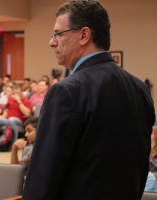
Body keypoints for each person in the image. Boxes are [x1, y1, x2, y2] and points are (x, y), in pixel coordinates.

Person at [23, 1, 155, 200]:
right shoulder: (139, 89)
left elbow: (43, 176)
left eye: (58, 34)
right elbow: (140, 165)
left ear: (84, 35)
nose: (52, 42)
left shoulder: (66, 92)